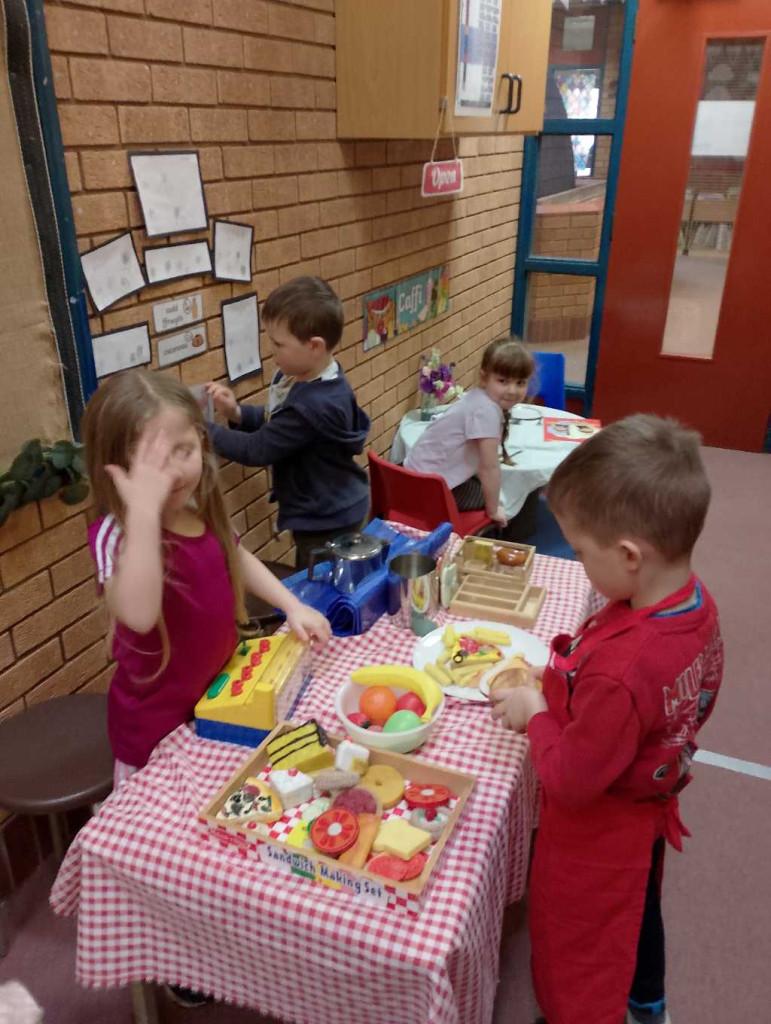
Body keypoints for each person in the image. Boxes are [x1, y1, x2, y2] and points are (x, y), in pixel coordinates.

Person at [490, 414, 724, 1024]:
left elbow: (569, 778)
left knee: (578, 945)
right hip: (650, 802)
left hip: (597, 833)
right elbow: (697, 694)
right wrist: (562, 675)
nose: (578, 560)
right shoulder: (693, 603)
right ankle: (647, 1003)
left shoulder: (625, 671)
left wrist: (537, 712)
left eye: (580, 551)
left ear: (628, 555)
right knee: (639, 910)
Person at [82, 368, 330, 781]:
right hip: (156, 734)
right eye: (151, 465)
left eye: (182, 450)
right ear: (115, 468)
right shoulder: (119, 533)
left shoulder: (195, 508)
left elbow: (237, 557)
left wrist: (291, 605)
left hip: (220, 702)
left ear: (201, 440)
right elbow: (139, 615)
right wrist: (144, 513)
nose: (174, 472)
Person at [205, 276, 370, 569]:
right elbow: (278, 422)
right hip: (335, 504)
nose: (271, 351)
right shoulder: (319, 377)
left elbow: (257, 449)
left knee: (318, 584)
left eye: (278, 344)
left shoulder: (313, 406)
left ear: (314, 346)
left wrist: (199, 429)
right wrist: (237, 413)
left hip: (327, 520)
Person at [404, 337, 536, 539]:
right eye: (503, 381)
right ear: (484, 378)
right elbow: (489, 467)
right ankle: (511, 542)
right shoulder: (486, 411)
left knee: (492, 487)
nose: (512, 390)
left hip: (413, 478)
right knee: (508, 496)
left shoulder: (477, 398)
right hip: (431, 491)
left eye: (520, 383)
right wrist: (494, 510)